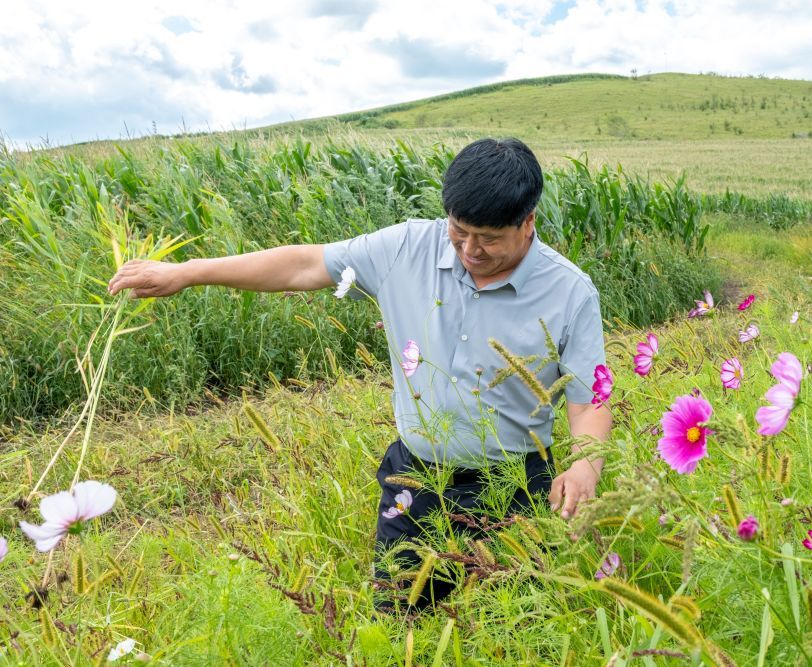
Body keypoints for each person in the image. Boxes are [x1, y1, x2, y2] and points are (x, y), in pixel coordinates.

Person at [106, 137, 612, 611]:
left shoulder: (570, 292)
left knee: (512, 626)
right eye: (459, 232)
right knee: (399, 617)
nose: (470, 251)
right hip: (416, 477)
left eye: (489, 239)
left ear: (528, 222)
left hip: (515, 488)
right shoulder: (404, 249)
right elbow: (303, 265)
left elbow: (589, 399)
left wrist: (586, 466)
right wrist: (187, 272)